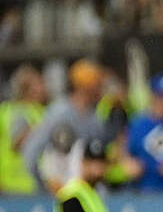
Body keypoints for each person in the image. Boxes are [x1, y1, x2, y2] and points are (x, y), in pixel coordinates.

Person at [22, 59, 108, 192]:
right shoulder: (58, 113)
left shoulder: (95, 118)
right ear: (85, 86)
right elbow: (31, 151)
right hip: (58, 192)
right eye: (97, 84)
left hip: (85, 192)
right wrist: (43, 186)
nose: (101, 88)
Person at [0, 63, 48, 194]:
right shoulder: (18, 112)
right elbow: (18, 143)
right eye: (39, 84)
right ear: (26, 89)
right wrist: (40, 128)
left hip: (36, 182)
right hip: (16, 184)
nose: (44, 88)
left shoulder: (38, 111)